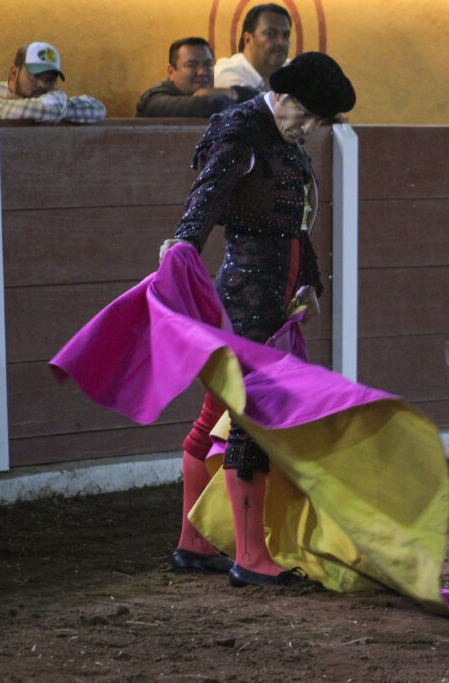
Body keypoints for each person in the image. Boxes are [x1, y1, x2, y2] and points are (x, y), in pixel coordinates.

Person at [161, 52, 355, 587]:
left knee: (213, 418)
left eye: (321, 121)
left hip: (269, 298)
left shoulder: (285, 138)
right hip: (247, 300)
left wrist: (308, 282)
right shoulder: (242, 128)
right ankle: (251, 558)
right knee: (252, 422)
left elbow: (296, 224)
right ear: (284, 97)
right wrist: (184, 245)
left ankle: (194, 545)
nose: (311, 128)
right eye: (308, 115)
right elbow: (206, 196)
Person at [0, 42, 105, 123]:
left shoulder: (54, 102)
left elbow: (97, 109)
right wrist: (58, 103)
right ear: (13, 73)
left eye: (50, 79)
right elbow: (46, 110)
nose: (42, 85)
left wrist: (52, 104)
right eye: (35, 76)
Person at [136, 37, 258, 118]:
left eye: (208, 64)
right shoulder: (152, 99)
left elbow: (259, 98)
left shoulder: (215, 93)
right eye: (191, 65)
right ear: (171, 72)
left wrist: (231, 92)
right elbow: (212, 105)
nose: (202, 72)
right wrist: (219, 98)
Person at [214, 3, 292, 91]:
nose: (281, 42)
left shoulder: (291, 68)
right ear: (248, 40)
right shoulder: (228, 72)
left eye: (286, 35)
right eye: (270, 33)